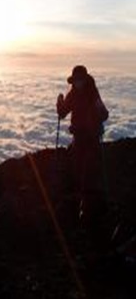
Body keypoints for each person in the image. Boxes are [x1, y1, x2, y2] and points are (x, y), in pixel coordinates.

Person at [56, 65, 109, 223]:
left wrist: (98, 117)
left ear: (85, 79)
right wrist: (60, 103)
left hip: (91, 138)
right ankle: (84, 201)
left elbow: (104, 114)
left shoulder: (92, 93)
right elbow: (63, 112)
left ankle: (86, 207)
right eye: (76, 80)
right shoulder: (73, 94)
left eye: (80, 80)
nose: (77, 83)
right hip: (80, 137)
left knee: (87, 170)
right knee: (80, 168)